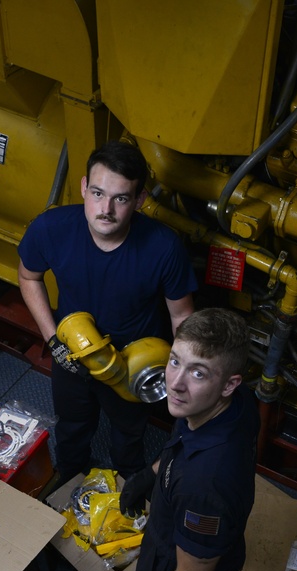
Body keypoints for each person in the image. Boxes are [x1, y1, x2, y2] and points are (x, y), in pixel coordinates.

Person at [17, 140, 196, 482]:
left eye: (121, 198)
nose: (106, 209)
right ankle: (69, 475)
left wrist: (181, 373)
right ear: (84, 187)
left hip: (134, 362)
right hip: (71, 352)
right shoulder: (50, 228)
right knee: (71, 425)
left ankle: (130, 480)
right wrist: (52, 339)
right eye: (97, 193)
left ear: (140, 200)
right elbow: (28, 276)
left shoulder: (164, 246)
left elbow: (182, 316)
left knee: (129, 433)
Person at [113, 308, 259, 571]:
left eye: (198, 372)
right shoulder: (229, 406)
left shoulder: (205, 484)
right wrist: (151, 474)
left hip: (178, 560)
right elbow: (186, 445)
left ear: (229, 384)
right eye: (175, 361)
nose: (176, 383)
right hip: (223, 557)